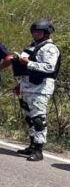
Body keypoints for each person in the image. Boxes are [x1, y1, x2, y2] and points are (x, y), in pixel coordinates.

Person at [12, 20, 61, 162]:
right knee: (30, 118)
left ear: (47, 32)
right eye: (34, 31)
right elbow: (27, 70)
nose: (35, 34)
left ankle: (39, 150)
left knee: (39, 119)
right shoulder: (33, 47)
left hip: (41, 88)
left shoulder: (50, 48)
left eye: (39, 31)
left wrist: (29, 63)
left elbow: (49, 67)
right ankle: (32, 145)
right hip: (28, 86)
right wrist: (19, 85)